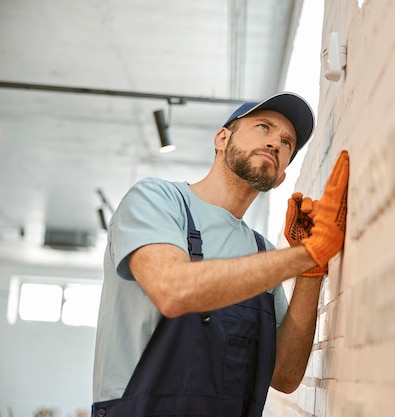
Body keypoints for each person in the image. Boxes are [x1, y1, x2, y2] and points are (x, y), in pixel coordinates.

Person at [91, 91, 350, 417]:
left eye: (287, 143)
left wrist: (310, 269)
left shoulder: (262, 253)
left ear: (282, 177)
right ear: (222, 138)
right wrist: (306, 254)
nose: (275, 143)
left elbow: (284, 375)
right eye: (263, 127)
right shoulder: (157, 200)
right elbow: (173, 290)